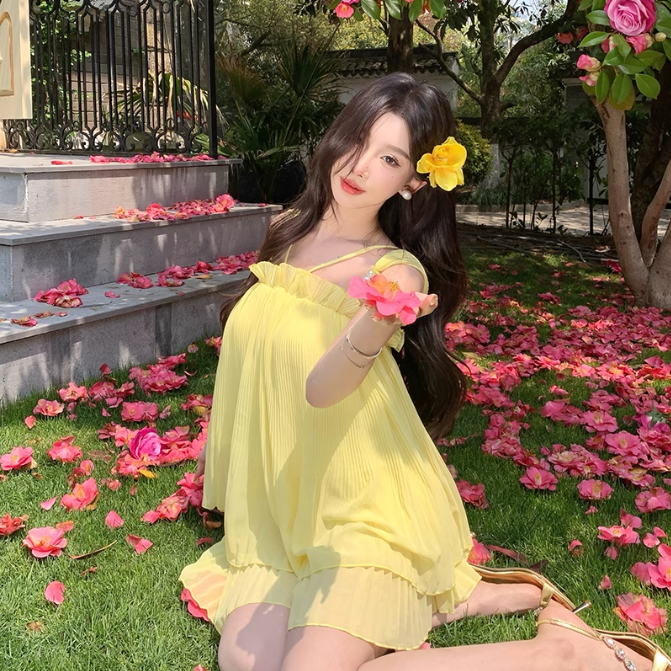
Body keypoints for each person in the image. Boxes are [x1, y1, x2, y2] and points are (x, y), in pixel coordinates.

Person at [179, 74, 668, 671]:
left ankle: (564, 653)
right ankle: (445, 602)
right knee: (245, 665)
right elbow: (252, 360)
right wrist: (219, 449)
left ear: (413, 181)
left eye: (389, 158)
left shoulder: (396, 273)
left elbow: (320, 389)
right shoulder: (287, 232)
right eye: (357, 139)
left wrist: (375, 322)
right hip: (279, 518)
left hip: (360, 512)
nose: (359, 166)